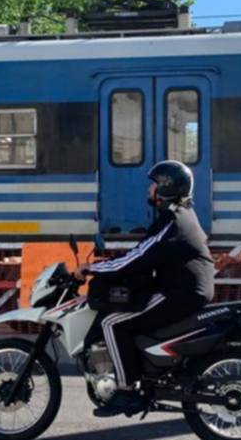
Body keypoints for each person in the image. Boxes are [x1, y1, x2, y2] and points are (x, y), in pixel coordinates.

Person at [84, 160, 215, 416]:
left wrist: (91, 268)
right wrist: (109, 264)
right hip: (184, 288)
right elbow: (144, 253)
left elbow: (139, 257)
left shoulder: (173, 222)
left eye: (153, 185)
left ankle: (126, 390)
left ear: (166, 188)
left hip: (179, 293)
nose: (148, 190)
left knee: (111, 323)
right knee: (129, 314)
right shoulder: (180, 214)